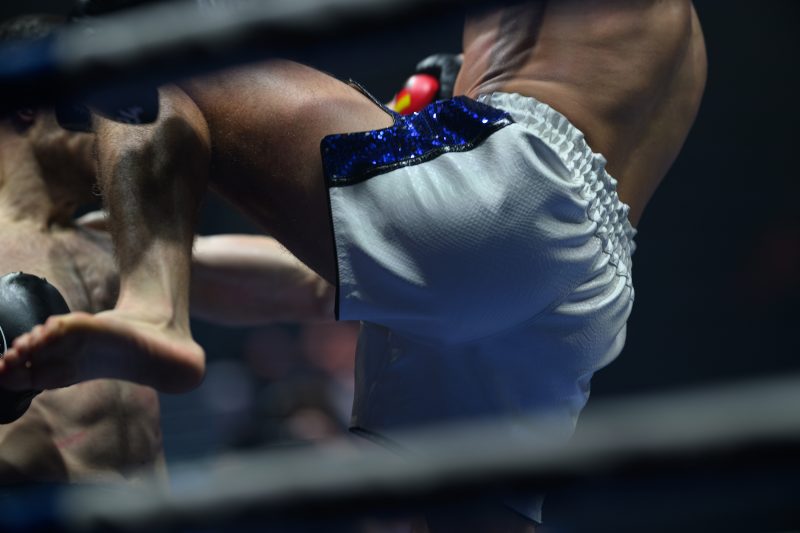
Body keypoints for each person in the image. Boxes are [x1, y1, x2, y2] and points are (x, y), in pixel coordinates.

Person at [0, 1, 707, 530]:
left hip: (513, 185)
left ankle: (153, 309)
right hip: (589, 279)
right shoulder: (675, 41)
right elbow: (318, 281)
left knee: (137, 45)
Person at [0, 13, 335, 486]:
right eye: (92, 101)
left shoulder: (122, 253)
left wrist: (392, 147)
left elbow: (322, 283)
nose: (115, 121)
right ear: (29, 108)